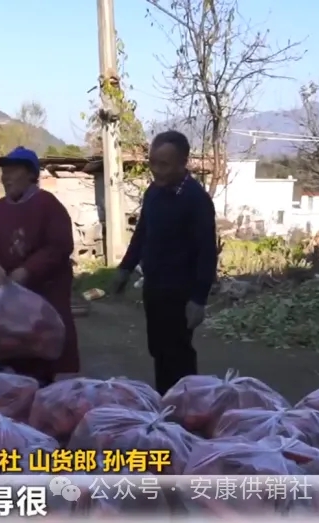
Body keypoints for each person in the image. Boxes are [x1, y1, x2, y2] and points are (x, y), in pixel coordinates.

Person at [110, 130, 218, 395]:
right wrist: (125, 268)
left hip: (180, 292)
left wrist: (199, 299)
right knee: (158, 348)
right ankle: (165, 400)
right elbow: (142, 233)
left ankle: (186, 404)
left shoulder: (196, 200)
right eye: (153, 163)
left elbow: (207, 252)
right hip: (154, 287)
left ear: (183, 163)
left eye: (164, 164)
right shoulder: (153, 193)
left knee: (178, 352)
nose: (156, 170)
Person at [0, 146, 80, 386]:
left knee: (46, 368)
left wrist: (28, 270)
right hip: (9, 303)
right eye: (4, 172)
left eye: (12, 171)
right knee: (10, 371)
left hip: (47, 300)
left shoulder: (48, 205)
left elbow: (59, 246)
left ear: (31, 174)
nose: (6, 177)